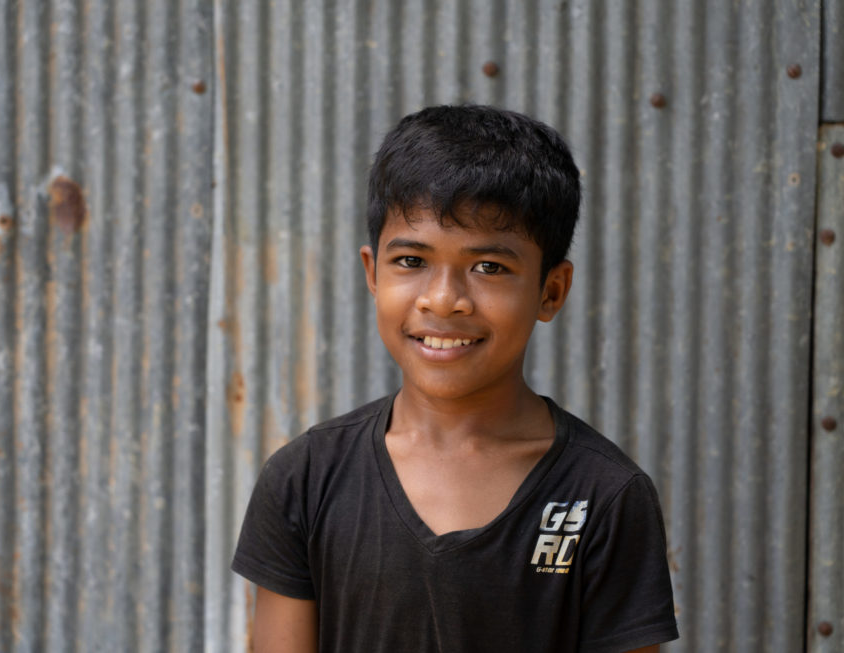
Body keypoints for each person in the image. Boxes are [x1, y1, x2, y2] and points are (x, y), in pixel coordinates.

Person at [232, 105, 679, 652]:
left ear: (551, 291)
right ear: (372, 273)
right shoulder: (306, 480)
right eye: (412, 261)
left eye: (489, 267)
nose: (443, 298)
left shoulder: (604, 496)